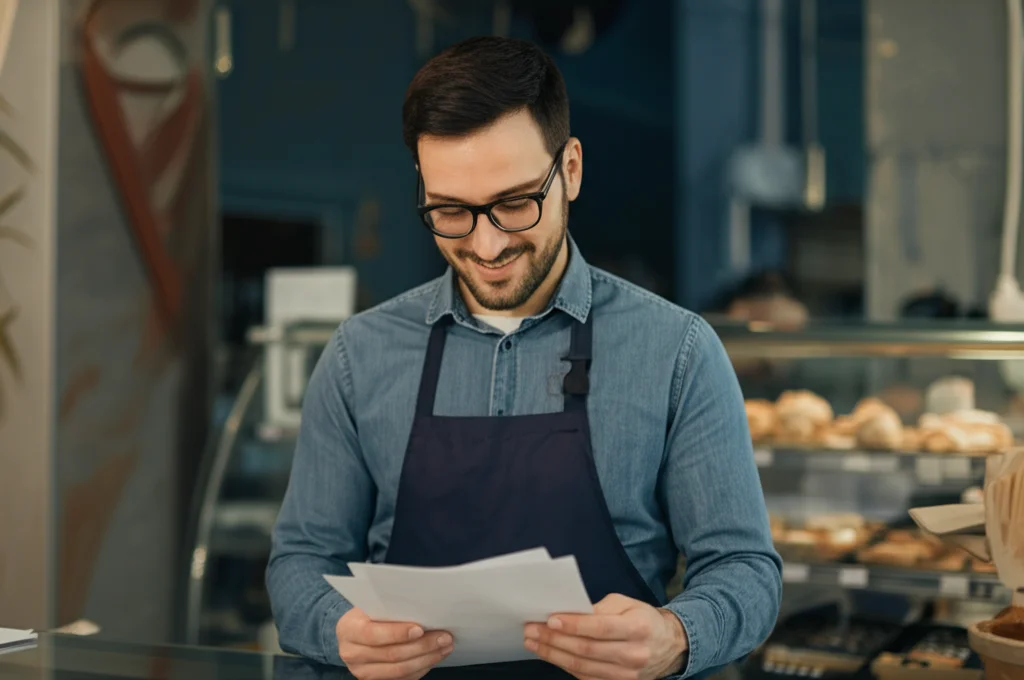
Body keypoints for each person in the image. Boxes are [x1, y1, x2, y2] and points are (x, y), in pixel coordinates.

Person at [267, 36, 781, 680]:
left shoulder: (677, 352)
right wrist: (336, 627)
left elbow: (745, 570)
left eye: (514, 204)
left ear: (571, 169)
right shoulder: (359, 356)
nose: (486, 245)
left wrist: (677, 636)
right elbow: (300, 564)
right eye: (451, 211)